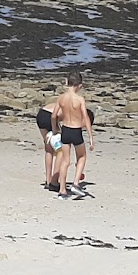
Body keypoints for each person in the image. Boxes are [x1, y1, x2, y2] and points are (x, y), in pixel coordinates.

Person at [52, 70, 92, 199]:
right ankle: (75, 183)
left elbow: (54, 115)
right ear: (79, 85)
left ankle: (62, 190)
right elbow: (85, 118)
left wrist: (55, 129)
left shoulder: (61, 98)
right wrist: (91, 136)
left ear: (66, 82)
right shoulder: (79, 99)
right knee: (82, 156)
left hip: (65, 130)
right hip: (76, 130)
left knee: (65, 161)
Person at [35, 96, 60, 190]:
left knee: (48, 149)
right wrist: (55, 129)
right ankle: (54, 181)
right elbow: (55, 116)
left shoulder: (62, 101)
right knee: (60, 151)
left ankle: (48, 180)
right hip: (51, 117)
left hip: (41, 114)